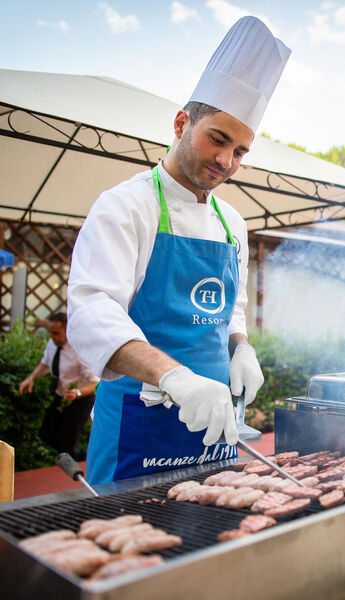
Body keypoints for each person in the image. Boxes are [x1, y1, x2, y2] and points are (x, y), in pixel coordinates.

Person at [66, 17, 291, 485]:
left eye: (241, 152)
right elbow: (91, 313)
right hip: (137, 427)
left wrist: (241, 348)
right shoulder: (125, 207)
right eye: (218, 139)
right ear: (181, 122)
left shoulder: (233, 224)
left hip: (214, 430)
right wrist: (175, 378)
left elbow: (232, 311)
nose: (226, 162)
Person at [19, 312, 99, 460]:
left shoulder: (79, 349)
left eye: (56, 333)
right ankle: (75, 456)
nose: (52, 337)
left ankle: (81, 463)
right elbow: (45, 363)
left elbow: (95, 382)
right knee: (46, 433)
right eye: (50, 333)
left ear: (67, 330)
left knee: (68, 443)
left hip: (80, 399)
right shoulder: (52, 344)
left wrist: (77, 393)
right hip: (61, 396)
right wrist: (31, 378)